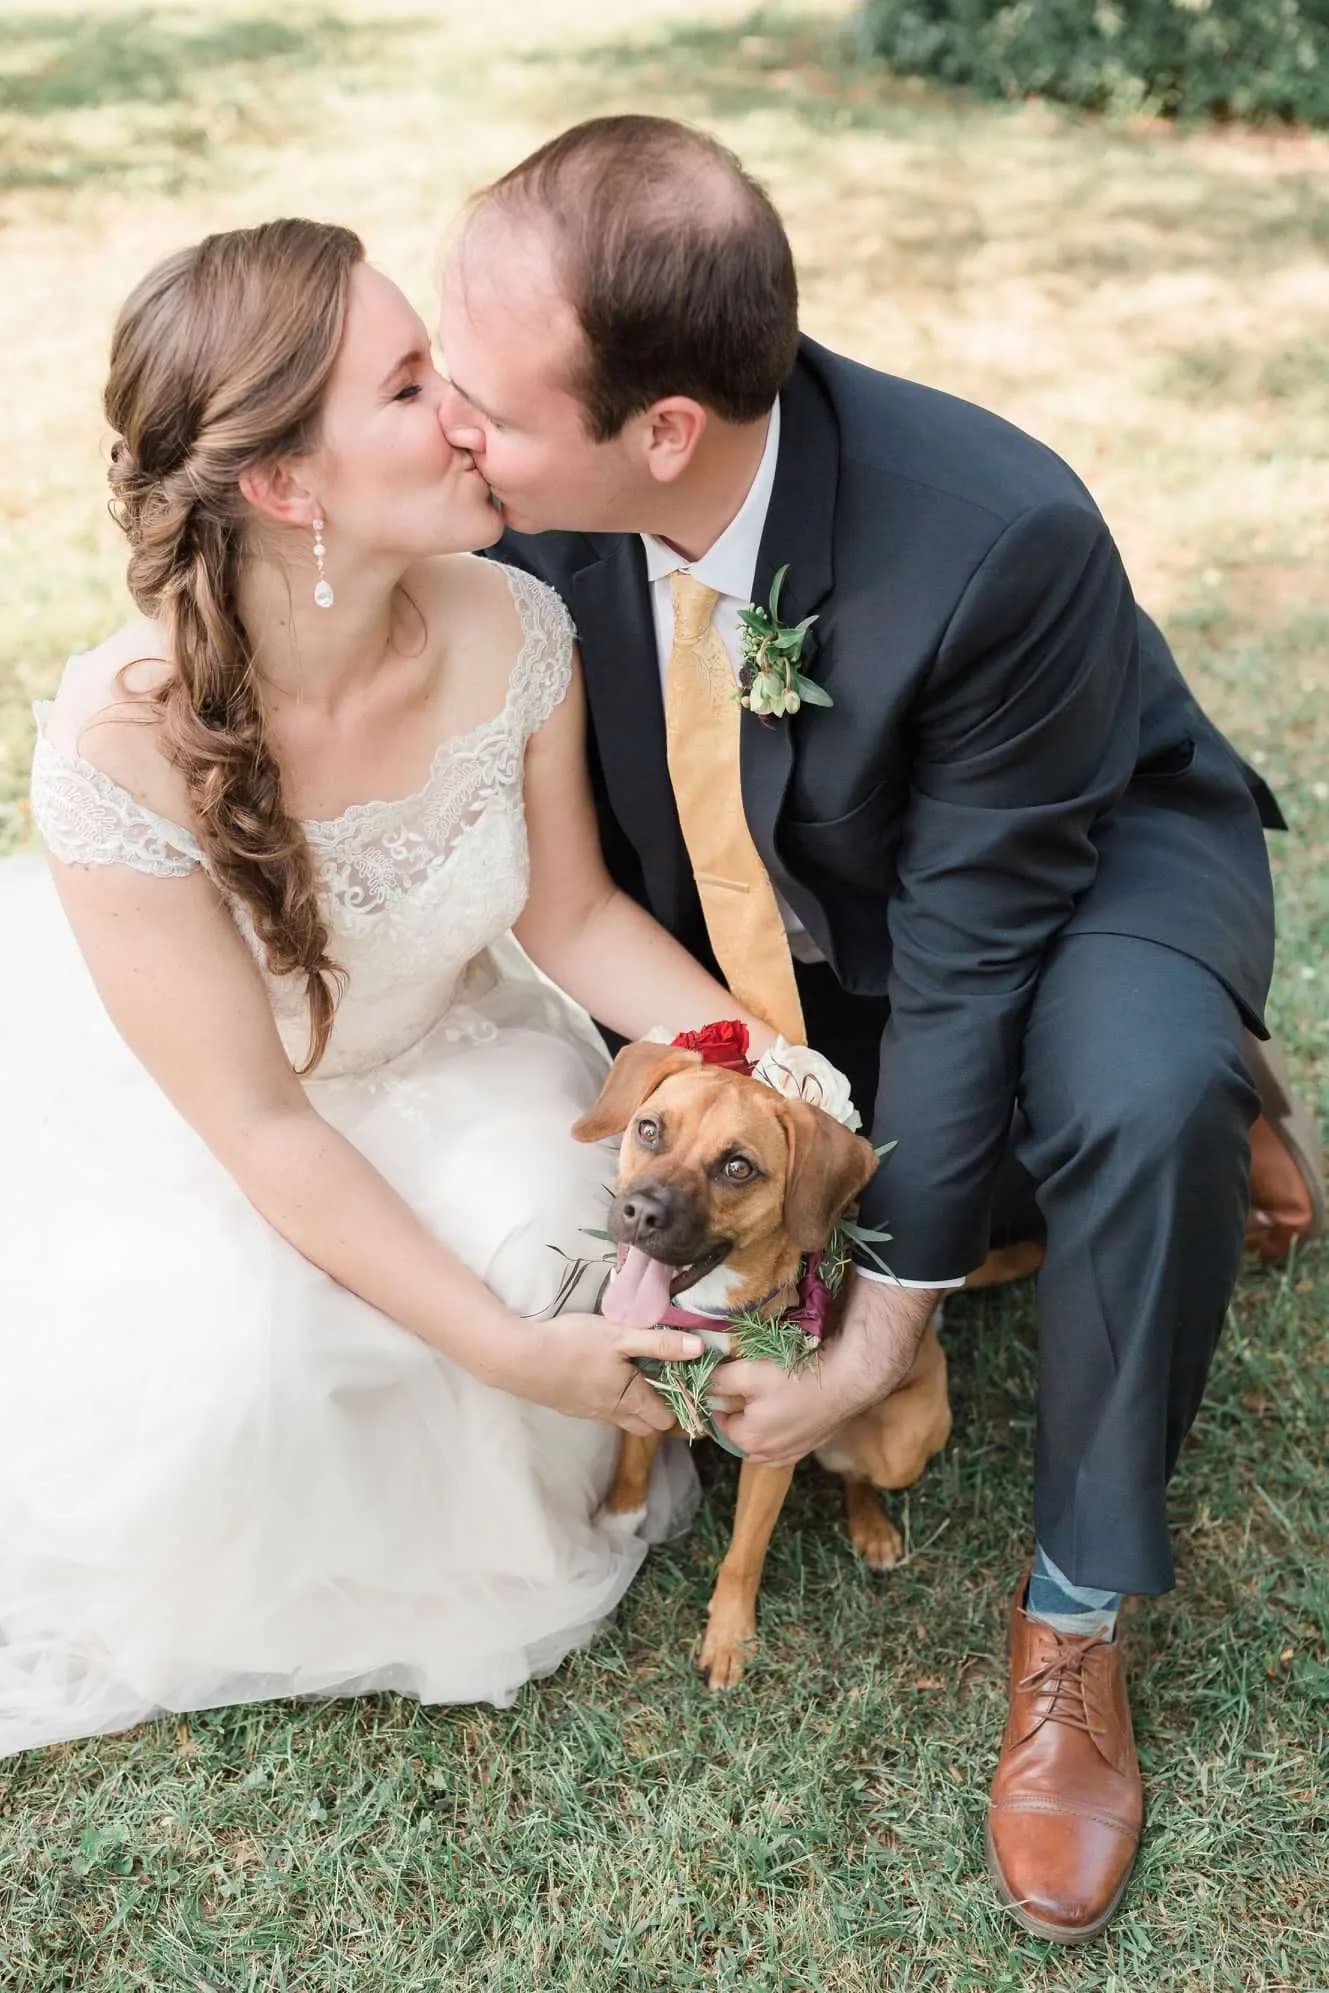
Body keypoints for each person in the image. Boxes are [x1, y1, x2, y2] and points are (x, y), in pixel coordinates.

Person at [436, 116, 1325, 1941]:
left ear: (661, 430)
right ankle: (1083, 1171)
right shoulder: (525, 516)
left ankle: (1073, 1622)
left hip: (1074, 874)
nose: (457, 427)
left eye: (491, 403)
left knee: (1124, 1090)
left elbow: (972, 953)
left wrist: (866, 1349)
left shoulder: (996, 535)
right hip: (798, 918)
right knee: (945, 1114)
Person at [0, 217, 775, 1759]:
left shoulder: (514, 625)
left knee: (567, 1246)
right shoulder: (113, 750)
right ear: (289, 488)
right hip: (234, 1122)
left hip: (458, 1050)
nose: (467, 411)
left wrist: (771, 1062)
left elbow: (570, 914)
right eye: (413, 384)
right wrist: (504, 1352)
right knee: (244, 1375)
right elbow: (265, 1125)